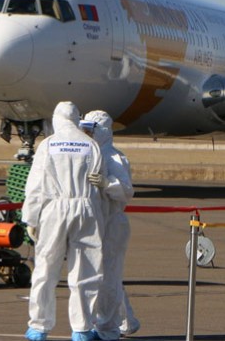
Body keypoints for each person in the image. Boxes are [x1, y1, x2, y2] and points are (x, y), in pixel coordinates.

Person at [21, 102, 107, 341]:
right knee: (86, 270)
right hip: (86, 208)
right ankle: (82, 328)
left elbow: (35, 186)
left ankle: (39, 326)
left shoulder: (48, 145)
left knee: (45, 269)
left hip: (54, 210)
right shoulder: (91, 144)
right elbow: (99, 181)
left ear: (56, 119)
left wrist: (31, 218)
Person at [82, 110, 141, 339]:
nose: (86, 133)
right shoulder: (90, 154)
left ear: (103, 130)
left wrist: (107, 183)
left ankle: (108, 328)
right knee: (108, 276)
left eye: (90, 129)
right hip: (98, 222)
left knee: (109, 277)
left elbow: (126, 191)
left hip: (113, 223)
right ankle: (126, 322)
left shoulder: (114, 158)